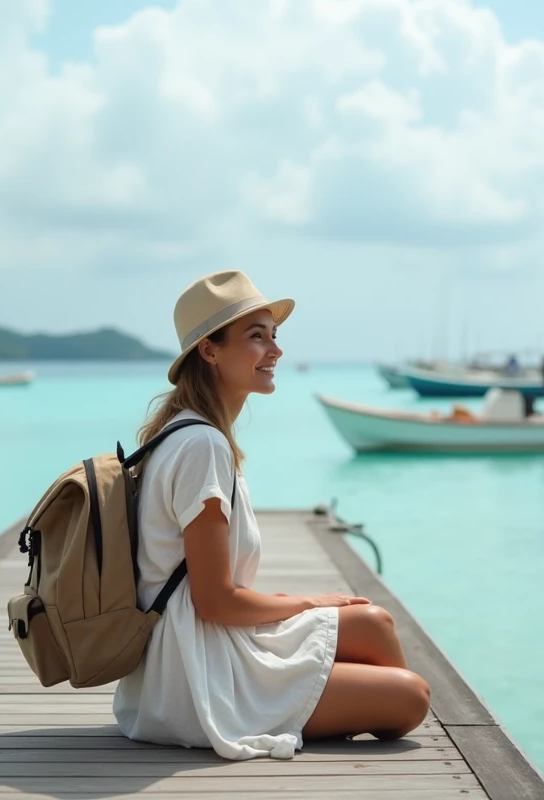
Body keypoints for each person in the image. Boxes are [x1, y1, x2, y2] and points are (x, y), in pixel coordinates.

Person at [113, 270, 430, 761]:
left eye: (274, 335)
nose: (276, 350)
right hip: (195, 674)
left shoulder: (189, 432)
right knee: (411, 697)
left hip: (205, 643)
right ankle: (347, 708)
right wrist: (307, 603)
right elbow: (214, 602)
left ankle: (342, 704)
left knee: (373, 622)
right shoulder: (201, 446)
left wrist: (301, 604)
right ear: (209, 351)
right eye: (257, 337)